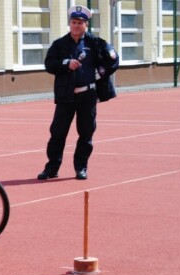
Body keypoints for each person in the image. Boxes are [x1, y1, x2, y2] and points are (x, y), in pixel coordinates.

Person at [37, 5, 119, 181]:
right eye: (74, 22)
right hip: (66, 95)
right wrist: (66, 64)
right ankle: (52, 168)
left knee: (86, 132)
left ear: (86, 25)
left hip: (87, 95)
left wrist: (99, 74)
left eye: (80, 23)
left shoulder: (95, 43)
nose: (76, 26)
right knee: (57, 133)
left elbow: (113, 60)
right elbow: (49, 64)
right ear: (70, 24)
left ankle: (81, 168)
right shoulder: (59, 44)